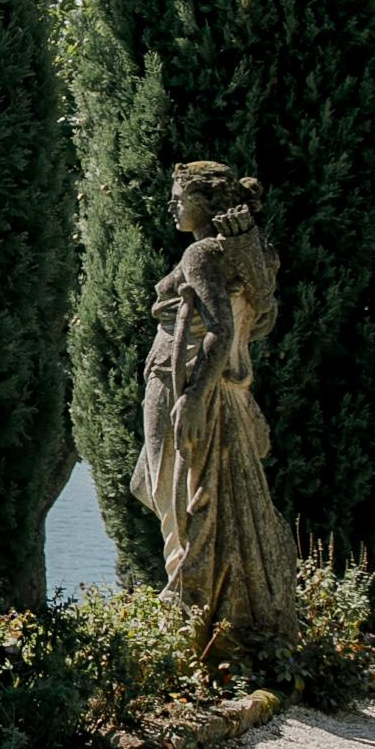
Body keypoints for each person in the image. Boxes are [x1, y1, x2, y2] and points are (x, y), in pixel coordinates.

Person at [132, 161, 299, 651]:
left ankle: (187, 605)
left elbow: (221, 330)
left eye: (179, 198)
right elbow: (254, 316)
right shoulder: (241, 255)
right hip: (199, 383)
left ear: (205, 204)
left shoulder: (202, 253)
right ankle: (213, 608)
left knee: (171, 491)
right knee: (176, 487)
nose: (171, 206)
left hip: (179, 380)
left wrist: (193, 396)